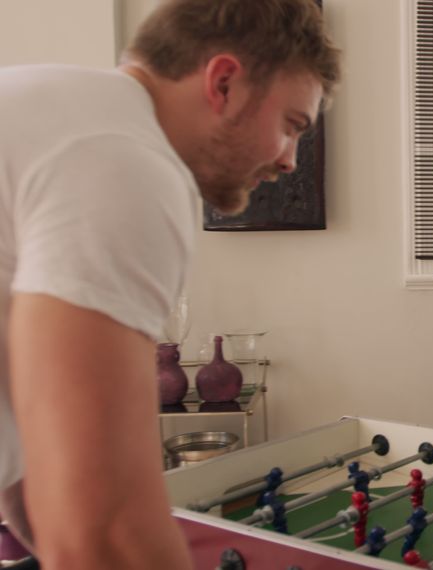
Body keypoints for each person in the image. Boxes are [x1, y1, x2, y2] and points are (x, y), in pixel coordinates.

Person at [0, 0, 340, 567]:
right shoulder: (126, 161)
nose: (289, 160)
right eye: (291, 126)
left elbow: (34, 471)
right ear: (224, 82)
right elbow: (102, 527)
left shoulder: (52, 108)